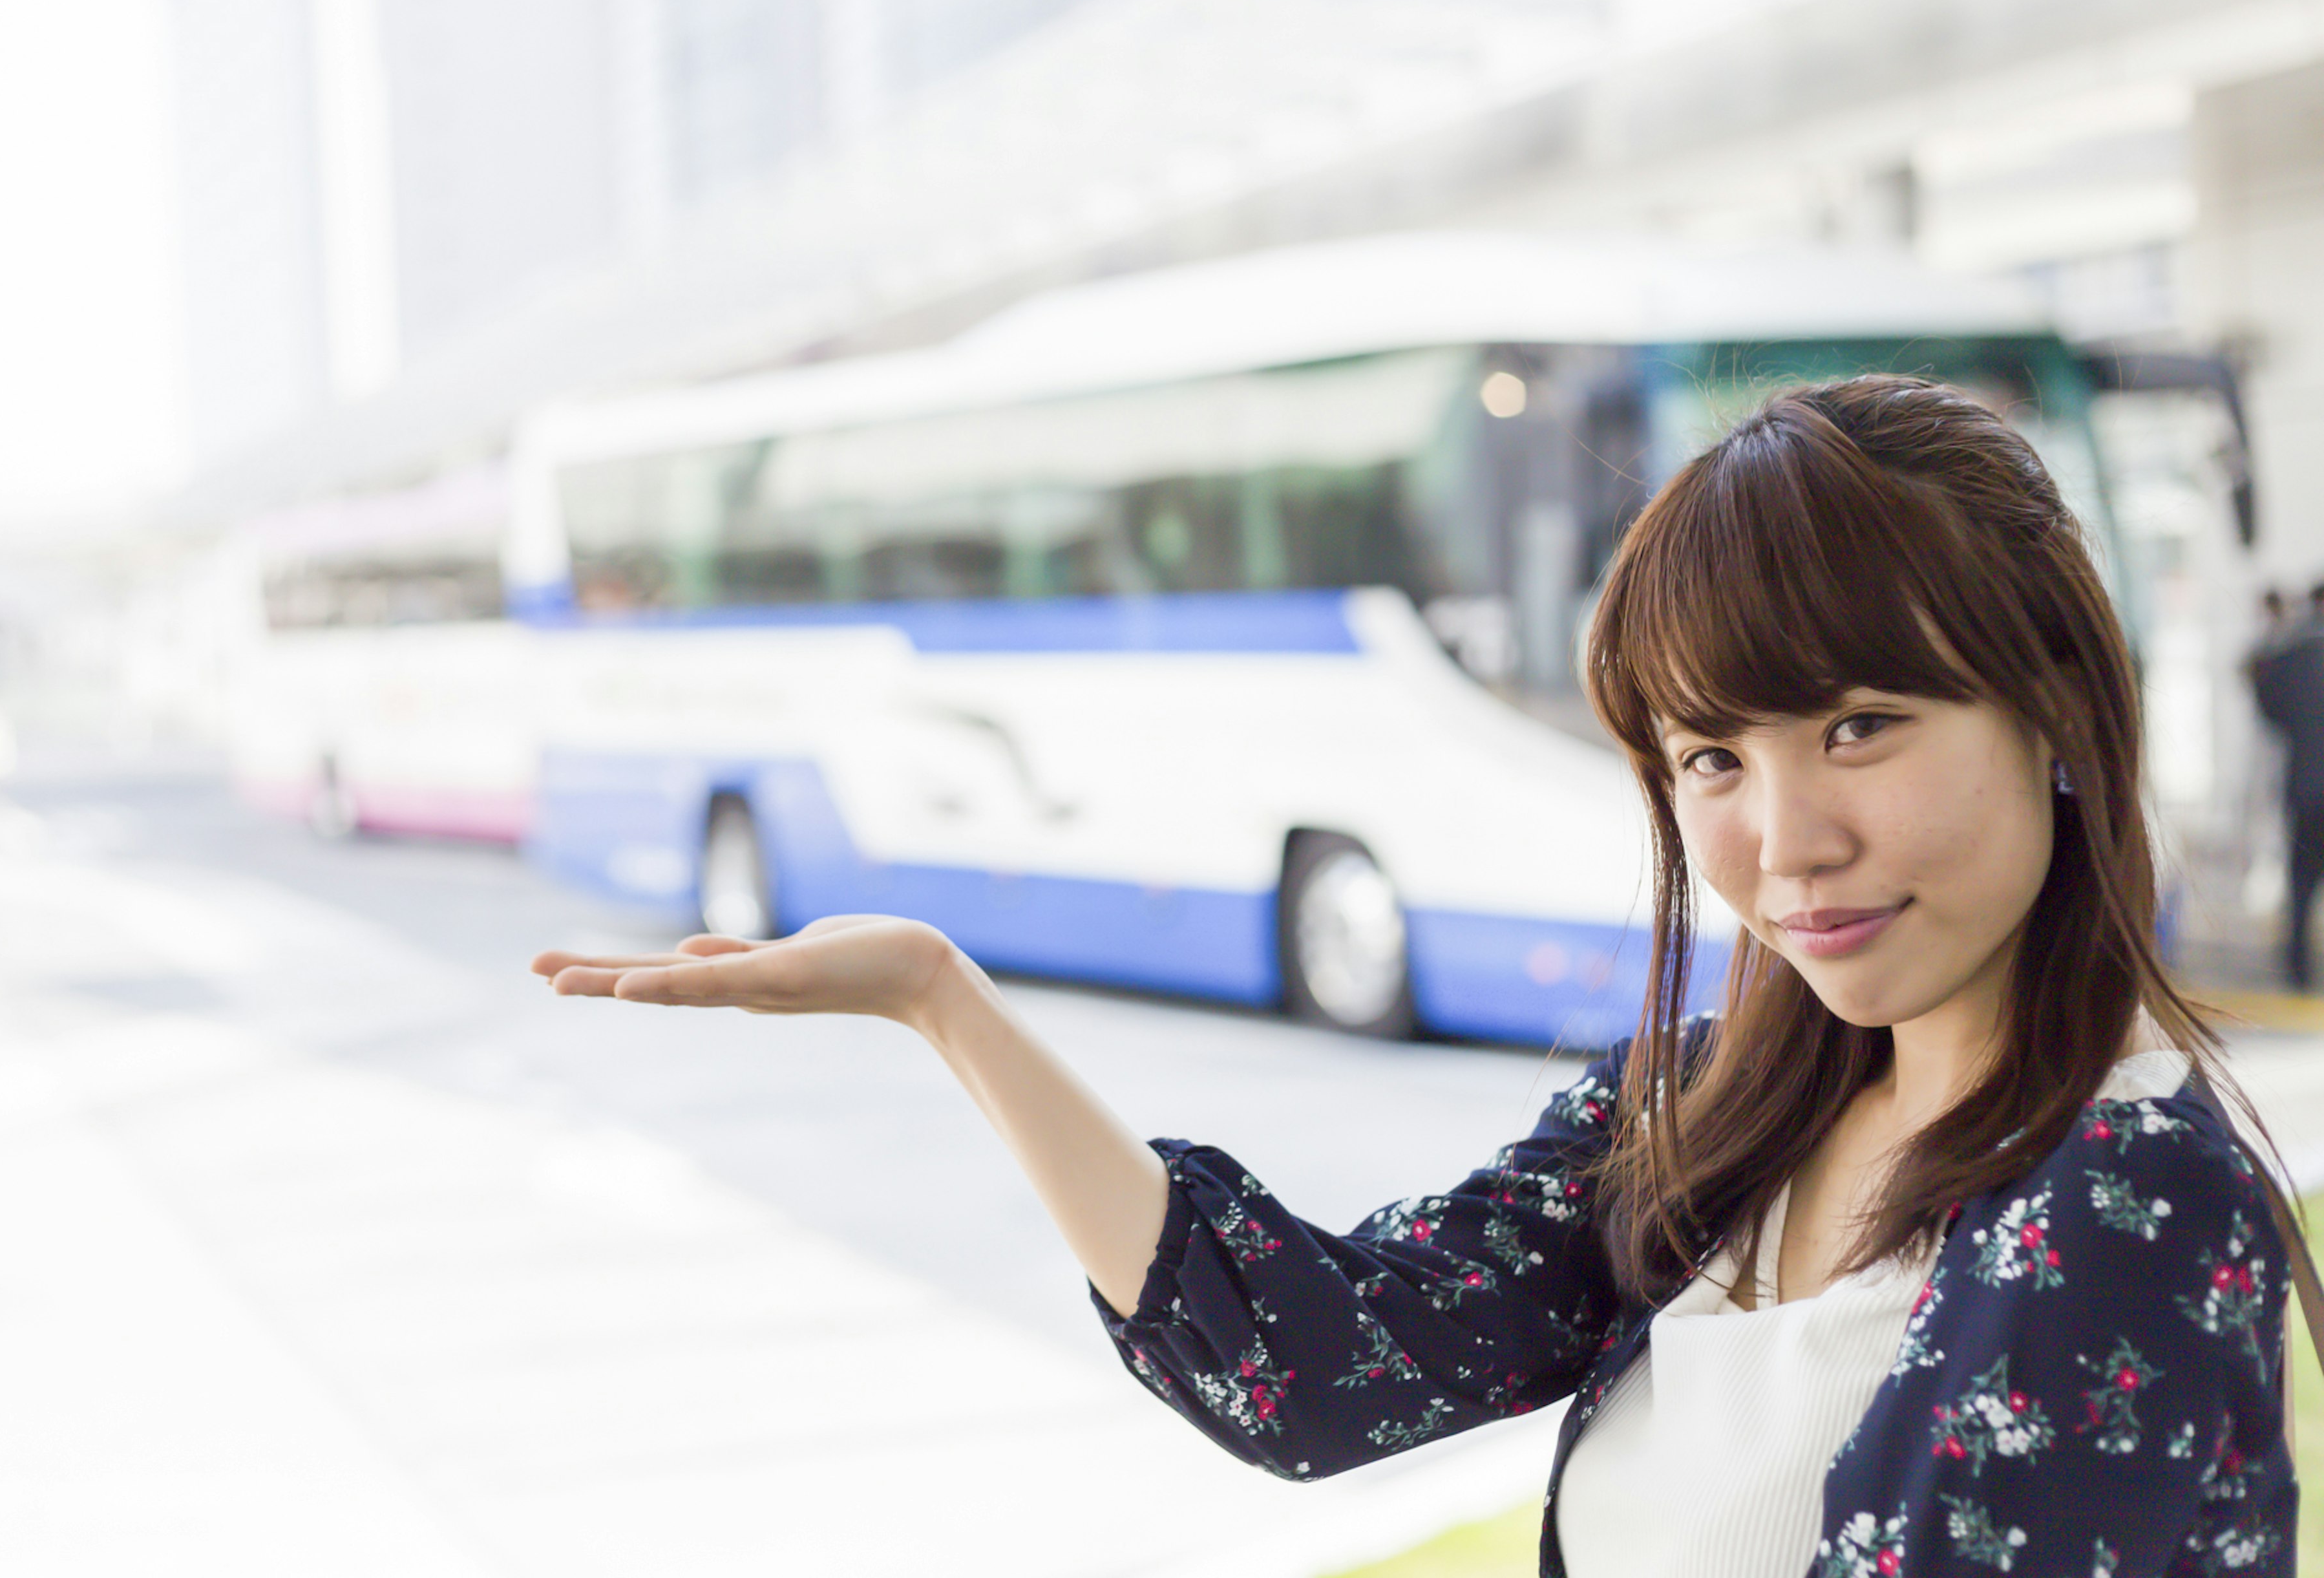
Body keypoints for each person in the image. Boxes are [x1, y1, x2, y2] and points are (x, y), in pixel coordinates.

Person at [536, 376, 2316, 1576]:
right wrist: (943, 997)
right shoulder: (1712, 1111)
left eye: (1862, 724)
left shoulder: (2124, 1198)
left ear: (2059, 710)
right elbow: (1309, 1368)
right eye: (1711, 756)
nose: (1785, 839)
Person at [2251, 582, 2324, 990]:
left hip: (2307, 787)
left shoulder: (2291, 658)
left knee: (2302, 881)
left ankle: (2299, 970)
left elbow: (2266, 704)